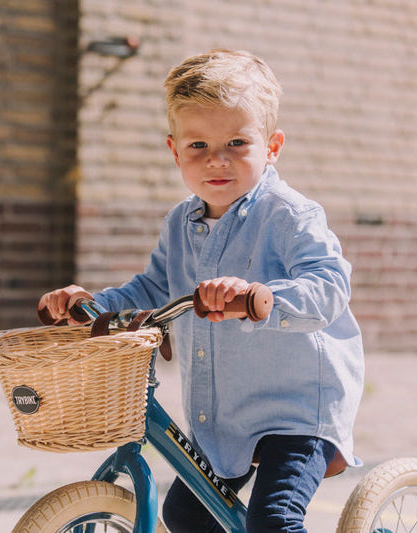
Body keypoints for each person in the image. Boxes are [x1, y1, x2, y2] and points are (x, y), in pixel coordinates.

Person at [38, 49, 364, 532]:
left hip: (294, 411)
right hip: (222, 414)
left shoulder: (291, 215)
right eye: (198, 146)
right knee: (187, 515)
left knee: (273, 519)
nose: (217, 159)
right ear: (174, 150)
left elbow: (329, 284)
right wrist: (92, 307)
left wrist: (259, 297)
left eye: (236, 142)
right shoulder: (179, 223)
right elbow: (151, 288)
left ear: (271, 146)